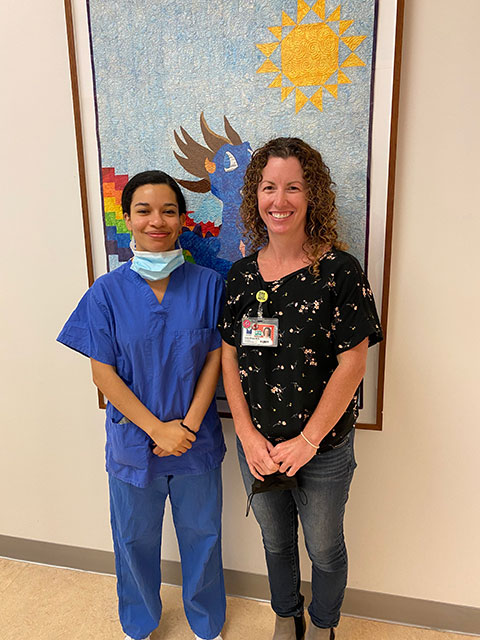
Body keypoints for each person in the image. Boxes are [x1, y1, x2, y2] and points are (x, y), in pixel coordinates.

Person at [220, 138, 383, 640]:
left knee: (325, 547)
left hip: (324, 447)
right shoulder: (243, 276)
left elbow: (353, 362)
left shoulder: (339, 272)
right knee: (275, 543)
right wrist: (247, 436)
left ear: (312, 195)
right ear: (255, 196)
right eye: (269, 187)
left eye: (293, 186)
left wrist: (308, 440)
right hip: (262, 448)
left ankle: (324, 625)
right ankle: (286, 615)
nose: (280, 200)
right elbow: (230, 354)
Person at [57, 171, 225, 640]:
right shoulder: (106, 293)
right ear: (127, 218)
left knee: (204, 537)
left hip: (197, 440)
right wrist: (158, 430)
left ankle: (206, 623)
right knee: (133, 539)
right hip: (134, 442)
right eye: (144, 211)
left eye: (168, 211)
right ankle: (140, 621)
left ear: (182, 220)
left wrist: (187, 427)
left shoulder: (210, 285)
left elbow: (216, 357)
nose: (157, 221)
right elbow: (102, 373)